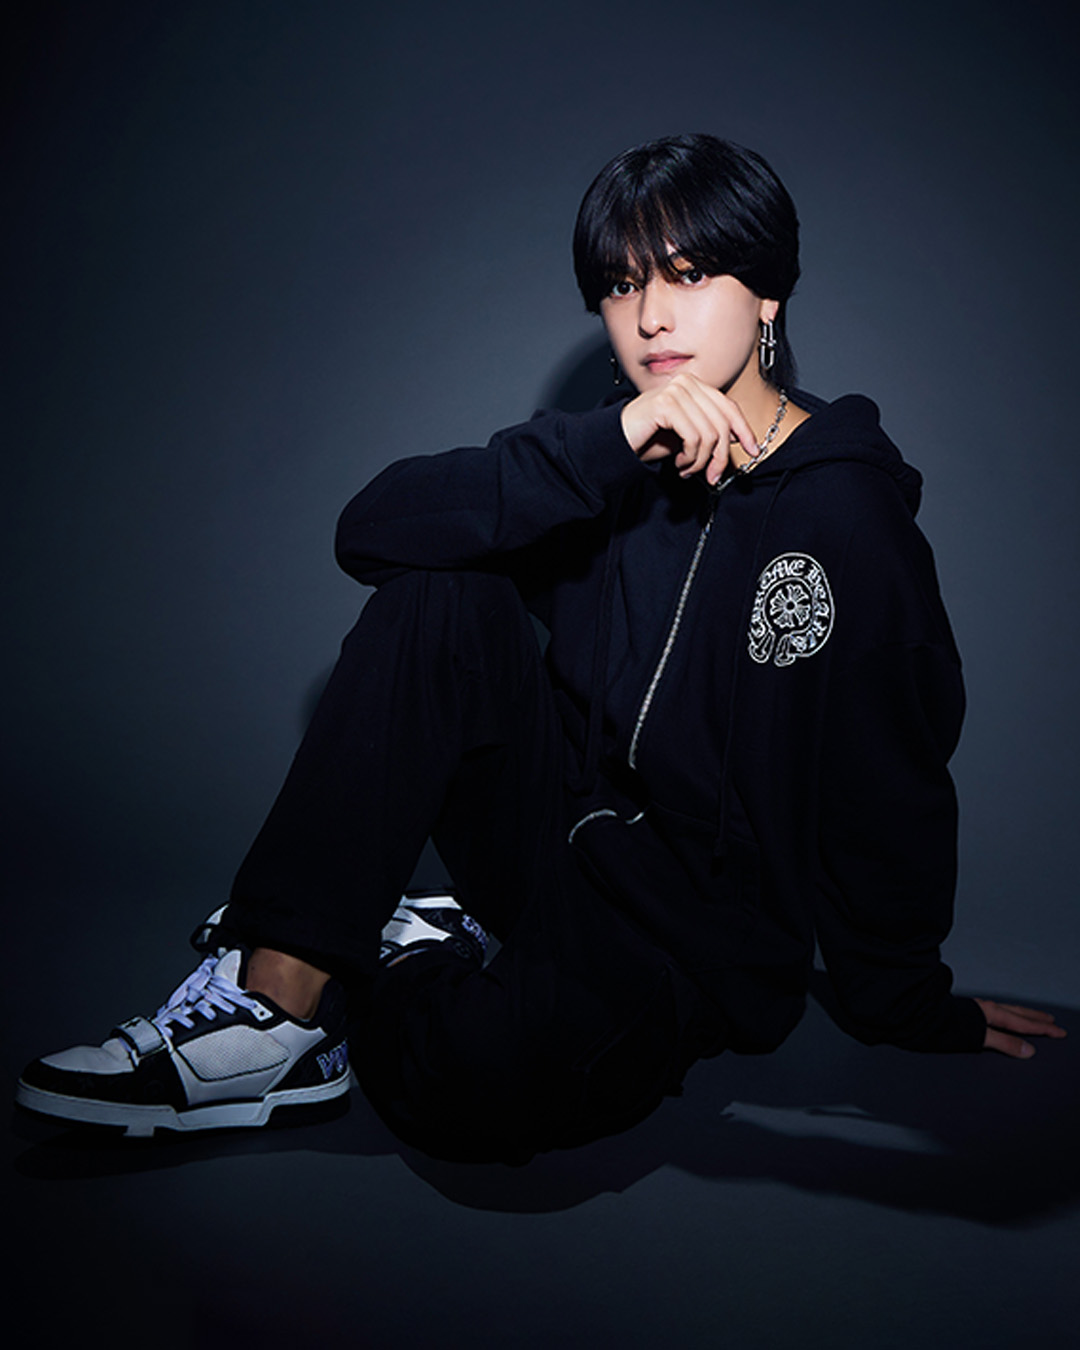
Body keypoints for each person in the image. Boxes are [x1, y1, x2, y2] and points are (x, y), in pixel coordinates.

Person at [17, 134, 1064, 1161]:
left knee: (477, 1090)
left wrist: (907, 1002)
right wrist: (608, 445)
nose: (650, 316)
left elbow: (889, 778)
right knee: (439, 588)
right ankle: (274, 1005)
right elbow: (370, 531)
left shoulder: (846, 518)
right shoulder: (604, 459)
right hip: (547, 843)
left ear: (768, 294)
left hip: (688, 931)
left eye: (689, 274)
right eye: (620, 285)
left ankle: (386, 949)